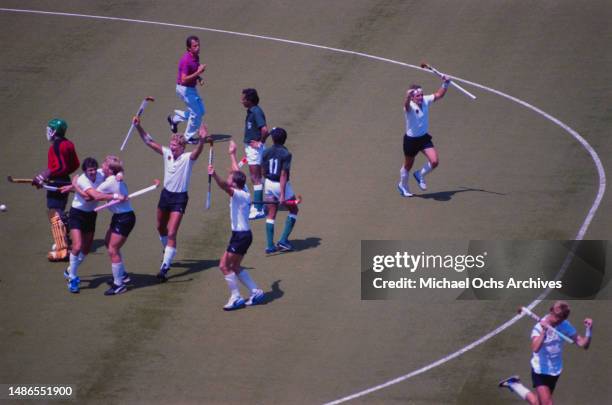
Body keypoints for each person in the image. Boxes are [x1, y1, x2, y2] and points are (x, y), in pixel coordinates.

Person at [132, 115, 206, 282]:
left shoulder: (188, 159)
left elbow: (197, 152)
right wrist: (138, 127)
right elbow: (149, 142)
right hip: (165, 195)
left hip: (179, 199)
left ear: (182, 147)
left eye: (175, 146)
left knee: (172, 232)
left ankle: (165, 267)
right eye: (171, 145)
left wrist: (201, 140)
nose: (172, 148)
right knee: (160, 227)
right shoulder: (166, 153)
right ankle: (168, 252)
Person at [499, 301, 593, 405]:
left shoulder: (565, 325)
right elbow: (535, 348)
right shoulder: (539, 327)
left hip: (555, 371)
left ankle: (514, 384)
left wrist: (588, 330)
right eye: (557, 316)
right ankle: (514, 384)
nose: (559, 320)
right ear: (551, 311)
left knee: (537, 403)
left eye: (562, 318)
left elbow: (584, 345)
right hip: (540, 371)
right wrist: (544, 332)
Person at [207, 141, 265, 311]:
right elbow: (236, 172)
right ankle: (256, 291)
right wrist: (232, 153)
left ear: (234, 183)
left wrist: (214, 174)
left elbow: (224, 186)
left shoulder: (238, 193)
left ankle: (236, 297)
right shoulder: (244, 190)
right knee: (234, 266)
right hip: (242, 235)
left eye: (230, 178)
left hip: (240, 236)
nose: (229, 177)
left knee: (224, 266)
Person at [32, 118, 80, 261]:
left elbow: (60, 167)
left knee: (55, 213)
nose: (46, 133)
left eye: (48, 130)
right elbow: (74, 165)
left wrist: (45, 175)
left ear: (53, 132)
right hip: (63, 180)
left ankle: (63, 248)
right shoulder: (68, 144)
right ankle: (66, 236)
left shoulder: (56, 147)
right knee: (58, 210)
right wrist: (51, 175)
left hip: (57, 182)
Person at [397, 76, 450, 197]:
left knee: (435, 161)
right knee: (408, 165)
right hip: (411, 141)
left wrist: (446, 83)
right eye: (417, 96)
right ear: (412, 98)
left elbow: (438, 95)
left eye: (421, 95)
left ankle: (420, 174)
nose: (420, 97)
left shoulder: (425, 100)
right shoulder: (409, 106)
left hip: (424, 138)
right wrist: (407, 97)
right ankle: (403, 186)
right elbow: (405, 105)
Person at [59, 157, 105, 293]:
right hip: (77, 214)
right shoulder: (82, 180)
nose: (93, 173)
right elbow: (87, 197)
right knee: (77, 246)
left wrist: (73, 187)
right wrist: (75, 185)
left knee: (86, 248)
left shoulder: (101, 174)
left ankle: (69, 270)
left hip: (91, 214)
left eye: (94, 170)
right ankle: (72, 278)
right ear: (85, 171)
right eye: (90, 171)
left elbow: (113, 171)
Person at [261, 127, 298, 254]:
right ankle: (282, 240)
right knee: (294, 210)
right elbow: (283, 175)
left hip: (268, 184)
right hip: (281, 185)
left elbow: (263, 171)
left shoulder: (265, 152)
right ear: (284, 139)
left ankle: (270, 246)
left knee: (271, 214)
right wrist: (282, 195)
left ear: (273, 138)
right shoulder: (286, 154)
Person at [167, 35, 207, 144]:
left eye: (198, 45)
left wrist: (199, 77)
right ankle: (187, 137)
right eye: (195, 46)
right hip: (184, 89)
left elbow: (194, 70)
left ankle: (174, 119)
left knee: (200, 111)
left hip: (191, 88)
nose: (198, 47)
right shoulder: (186, 60)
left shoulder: (196, 57)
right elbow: (184, 79)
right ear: (189, 48)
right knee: (196, 113)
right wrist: (198, 73)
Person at [241, 88, 269, 220]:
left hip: (254, 149)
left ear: (250, 100)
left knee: (255, 177)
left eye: (244, 99)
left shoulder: (256, 112)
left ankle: (258, 209)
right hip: (252, 148)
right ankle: (259, 204)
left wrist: (260, 143)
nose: (242, 101)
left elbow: (265, 130)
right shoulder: (252, 110)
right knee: (257, 176)